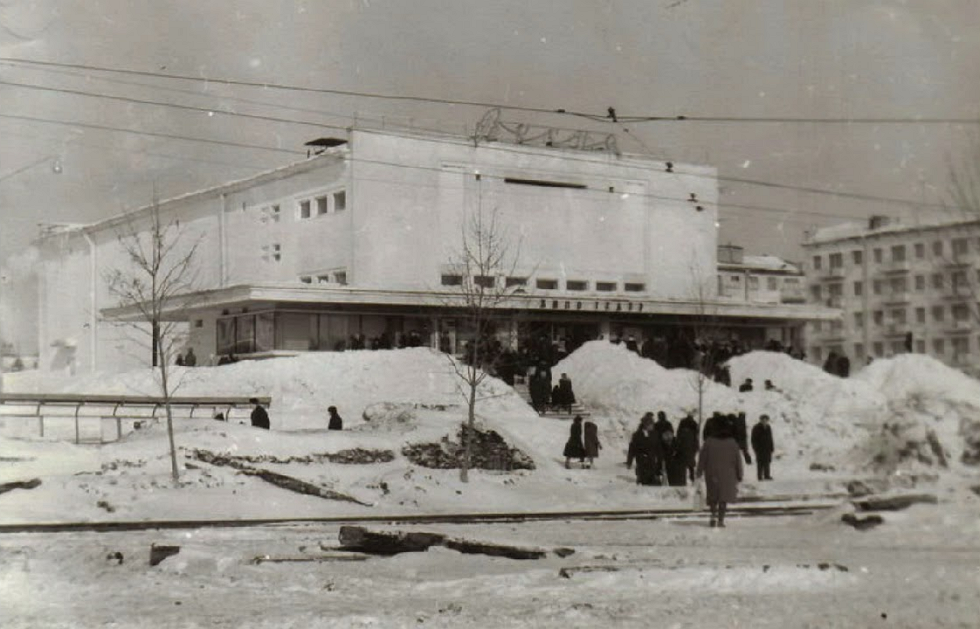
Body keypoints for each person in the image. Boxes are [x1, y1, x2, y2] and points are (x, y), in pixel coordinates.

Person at [696, 416, 744, 528]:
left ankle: (713, 515)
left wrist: (699, 472)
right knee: (724, 497)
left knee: (713, 496)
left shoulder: (709, 442)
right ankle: (721, 520)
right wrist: (739, 474)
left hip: (712, 473)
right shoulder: (732, 442)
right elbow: (738, 460)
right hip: (728, 474)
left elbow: (702, 458)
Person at [627, 414, 661, 485]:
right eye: (651, 424)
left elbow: (658, 447)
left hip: (652, 462)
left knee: (655, 483)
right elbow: (632, 449)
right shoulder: (637, 435)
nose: (652, 426)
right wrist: (629, 461)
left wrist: (661, 459)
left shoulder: (655, 434)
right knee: (645, 483)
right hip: (642, 463)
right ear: (646, 425)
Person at [676, 414, 700, 482]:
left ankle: (683, 479)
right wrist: (696, 447)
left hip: (683, 447)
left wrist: (677, 446)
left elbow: (678, 435)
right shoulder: (694, 424)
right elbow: (696, 436)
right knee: (691, 464)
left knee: (682, 464)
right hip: (690, 446)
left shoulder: (682, 424)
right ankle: (692, 478)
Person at [751, 414, 774, 481]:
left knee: (767, 462)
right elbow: (753, 439)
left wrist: (771, 447)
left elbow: (770, 438)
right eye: (763, 420)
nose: (764, 421)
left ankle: (767, 475)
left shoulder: (768, 427)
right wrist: (755, 448)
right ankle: (759, 476)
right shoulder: (756, 427)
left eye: (766, 420)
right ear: (760, 420)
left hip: (767, 448)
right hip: (759, 448)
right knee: (760, 462)